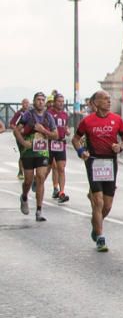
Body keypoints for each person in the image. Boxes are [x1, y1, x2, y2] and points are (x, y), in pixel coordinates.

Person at [72, 90, 123, 251]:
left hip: (111, 162)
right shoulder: (87, 121)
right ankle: (100, 237)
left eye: (109, 99)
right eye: (104, 99)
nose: (108, 102)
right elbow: (75, 139)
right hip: (94, 161)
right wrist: (81, 151)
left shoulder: (116, 120)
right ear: (95, 103)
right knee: (98, 202)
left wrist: (120, 147)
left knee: (107, 206)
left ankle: (96, 224)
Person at [13, 92, 57, 221]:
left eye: (43, 100)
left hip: (42, 151)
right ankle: (24, 197)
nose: (41, 102)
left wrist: (44, 131)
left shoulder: (48, 117)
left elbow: (56, 135)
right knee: (28, 180)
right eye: (38, 99)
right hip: (29, 152)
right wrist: (23, 143)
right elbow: (16, 130)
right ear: (34, 101)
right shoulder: (28, 115)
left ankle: (39, 211)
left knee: (41, 177)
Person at [48, 93, 71, 203]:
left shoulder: (65, 115)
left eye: (62, 101)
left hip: (61, 143)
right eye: (59, 101)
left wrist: (67, 131)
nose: (61, 103)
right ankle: (41, 183)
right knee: (50, 167)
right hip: (50, 143)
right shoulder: (48, 114)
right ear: (54, 102)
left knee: (61, 168)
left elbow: (65, 127)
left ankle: (61, 192)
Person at [11, 99, 29, 180]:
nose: (26, 104)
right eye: (24, 103)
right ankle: (20, 172)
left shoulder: (30, 113)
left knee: (28, 153)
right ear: (22, 104)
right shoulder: (19, 113)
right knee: (23, 153)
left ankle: (27, 171)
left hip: (28, 136)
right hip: (20, 136)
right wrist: (18, 131)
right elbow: (12, 124)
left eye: (27, 103)